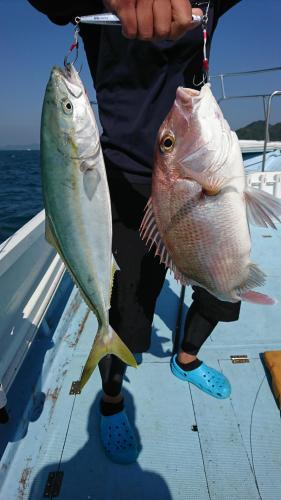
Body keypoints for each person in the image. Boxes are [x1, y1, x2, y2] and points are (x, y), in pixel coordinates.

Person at [28, 0, 241, 464]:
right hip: (122, 183)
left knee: (225, 284)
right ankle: (111, 399)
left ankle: (187, 358)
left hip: (195, 173)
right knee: (126, 308)